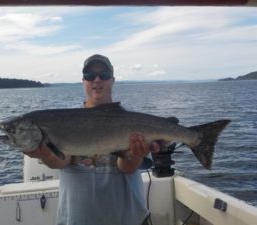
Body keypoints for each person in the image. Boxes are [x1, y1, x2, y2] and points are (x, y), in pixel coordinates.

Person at [25, 54, 160, 225]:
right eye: (90, 76)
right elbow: (60, 161)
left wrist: (135, 154)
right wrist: (44, 154)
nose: (97, 80)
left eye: (103, 75)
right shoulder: (65, 122)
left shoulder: (134, 122)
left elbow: (126, 168)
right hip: (76, 219)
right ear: (83, 81)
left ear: (112, 80)